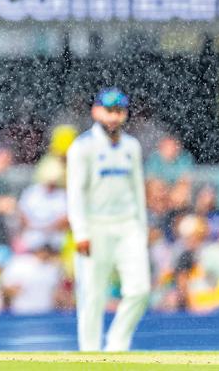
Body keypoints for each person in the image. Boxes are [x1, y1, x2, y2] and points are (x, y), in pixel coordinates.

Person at [67, 88, 150, 352]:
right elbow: (75, 193)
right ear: (96, 111)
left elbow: (138, 190)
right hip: (94, 226)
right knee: (92, 295)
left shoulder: (131, 147)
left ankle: (117, 344)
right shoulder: (83, 147)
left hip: (127, 225)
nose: (113, 117)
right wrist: (80, 231)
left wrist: (142, 228)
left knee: (140, 289)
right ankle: (89, 353)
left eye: (119, 112)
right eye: (109, 111)